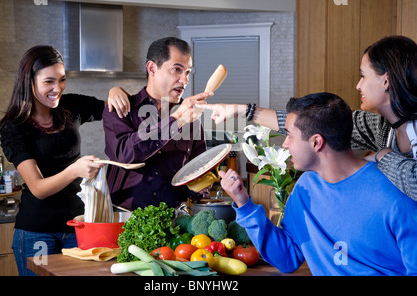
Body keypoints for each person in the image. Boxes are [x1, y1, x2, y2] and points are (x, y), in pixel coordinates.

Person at [220, 92, 417, 276]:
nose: (285, 144)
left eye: (289, 135)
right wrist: (243, 202)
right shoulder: (306, 187)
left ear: (316, 142)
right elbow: (288, 257)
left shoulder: (396, 194)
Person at [200, 35, 417, 201]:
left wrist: (384, 157)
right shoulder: (382, 129)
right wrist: (242, 110)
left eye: (363, 75)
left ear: (386, 81)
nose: (358, 85)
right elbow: (312, 123)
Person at [0, 45, 128, 276]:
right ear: (29, 81)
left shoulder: (71, 106)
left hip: (78, 226)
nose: (57, 88)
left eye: (62, 79)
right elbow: (37, 187)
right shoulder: (14, 128)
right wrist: (75, 170)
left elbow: (115, 110)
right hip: (36, 231)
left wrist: (116, 90)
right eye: (49, 81)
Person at [103, 37, 213, 211]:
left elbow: (196, 175)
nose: (184, 80)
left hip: (173, 221)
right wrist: (176, 121)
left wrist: (202, 186)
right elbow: (125, 154)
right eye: (177, 69)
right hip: (123, 219)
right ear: (152, 68)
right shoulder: (121, 108)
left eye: (188, 72)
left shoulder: (192, 120)